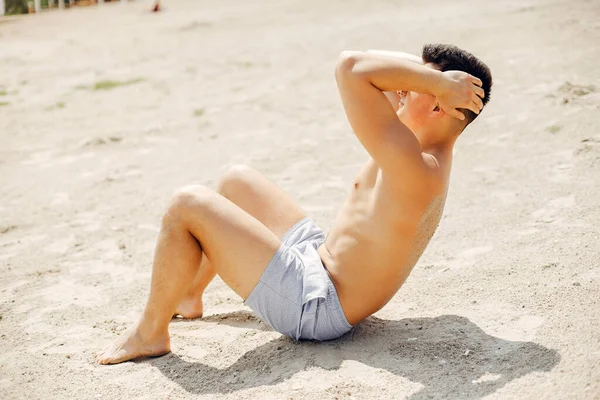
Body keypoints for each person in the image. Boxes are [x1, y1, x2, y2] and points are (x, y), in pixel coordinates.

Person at [96, 44, 492, 364]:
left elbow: (351, 66)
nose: (403, 89)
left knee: (187, 204)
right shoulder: (420, 142)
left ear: (439, 106)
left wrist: (435, 81)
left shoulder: (414, 164)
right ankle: (188, 294)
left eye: (417, 85)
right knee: (237, 180)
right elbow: (376, 69)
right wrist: (434, 78)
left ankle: (150, 332)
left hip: (315, 304)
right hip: (317, 259)